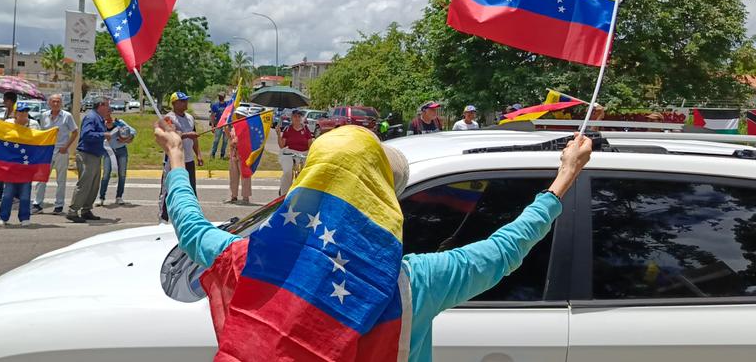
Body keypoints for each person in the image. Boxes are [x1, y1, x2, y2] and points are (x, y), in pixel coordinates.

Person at [155, 122, 592, 361]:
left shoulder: (246, 258)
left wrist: (176, 156)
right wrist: (564, 179)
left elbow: (191, 226)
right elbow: (502, 251)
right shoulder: (413, 286)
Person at [158, 91, 203, 222]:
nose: (185, 103)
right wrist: (187, 134)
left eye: (186, 100)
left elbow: (194, 137)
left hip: (188, 159)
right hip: (173, 160)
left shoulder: (190, 117)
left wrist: (198, 154)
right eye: (182, 101)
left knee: (191, 190)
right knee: (168, 189)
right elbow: (170, 135)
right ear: (174, 103)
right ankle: (163, 217)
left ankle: (190, 217)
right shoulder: (168, 118)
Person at [67, 97, 110, 223]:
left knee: (94, 185)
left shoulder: (99, 118)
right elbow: (86, 134)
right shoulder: (91, 117)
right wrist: (103, 135)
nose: (109, 108)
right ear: (100, 105)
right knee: (85, 184)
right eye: (107, 105)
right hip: (87, 155)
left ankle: (86, 209)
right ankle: (73, 210)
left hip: (95, 155)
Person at [34, 93, 78, 214]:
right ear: (49, 103)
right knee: (41, 178)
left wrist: (66, 146)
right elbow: (42, 132)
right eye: (53, 101)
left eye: (58, 101)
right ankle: (37, 204)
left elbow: (75, 132)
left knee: (61, 180)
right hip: (47, 151)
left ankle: (59, 205)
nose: (55, 103)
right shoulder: (44, 116)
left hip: (61, 151)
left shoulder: (67, 116)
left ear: (61, 103)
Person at [0, 103, 39, 227]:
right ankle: (2, 217)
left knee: (25, 192)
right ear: (15, 113)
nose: (23, 114)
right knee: (8, 192)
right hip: (11, 163)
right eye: (20, 112)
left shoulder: (34, 124)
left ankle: (25, 217)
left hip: (27, 163)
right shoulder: (8, 123)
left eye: (25, 111)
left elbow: (40, 140)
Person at [98, 109, 135, 206]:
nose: (107, 115)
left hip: (121, 150)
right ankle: (101, 197)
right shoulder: (101, 124)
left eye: (108, 113)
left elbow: (133, 131)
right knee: (106, 174)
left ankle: (119, 197)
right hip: (108, 152)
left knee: (122, 174)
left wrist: (126, 139)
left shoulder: (119, 122)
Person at [277, 108, 313, 196]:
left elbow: (310, 145)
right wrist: (278, 135)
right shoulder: (287, 129)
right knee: (287, 171)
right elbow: (282, 145)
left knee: (306, 172)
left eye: (299, 116)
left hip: (303, 153)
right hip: (290, 152)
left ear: (301, 118)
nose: (297, 118)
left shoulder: (306, 130)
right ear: (291, 118)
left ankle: (303, 193)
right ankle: (284, 194)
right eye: (295, 116)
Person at [226, 123, 252, 205]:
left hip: (243, 154)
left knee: (245, 175)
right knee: (233, 175)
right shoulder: (233, 127)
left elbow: (246, 139)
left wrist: (236, 142)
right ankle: (233, 195)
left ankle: (245, 196)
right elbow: (230, 138)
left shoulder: (246, 127)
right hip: (234, 153)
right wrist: (226, 129)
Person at [209, 92, 230, 159]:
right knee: (216, 140)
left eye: (222, 96)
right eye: (219, 96)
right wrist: (212, 126)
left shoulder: (228, 105)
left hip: (226, 125)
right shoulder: (215, 105)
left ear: (224, 97)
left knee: (225, 141)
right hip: (218, 125)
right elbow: (212, 116)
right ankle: (213, 154)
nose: (220, 97)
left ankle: (222, 155)